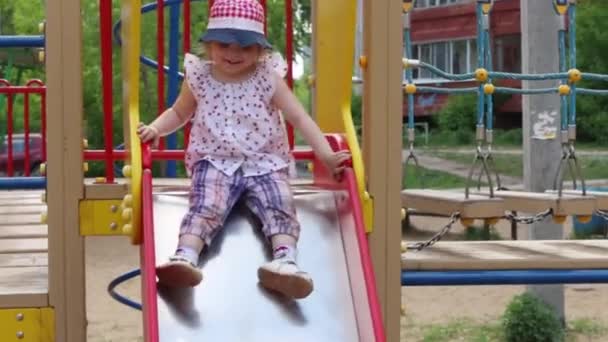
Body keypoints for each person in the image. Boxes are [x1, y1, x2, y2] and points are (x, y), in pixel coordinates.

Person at [137, 0, 350, 299]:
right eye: (224, 45)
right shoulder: (200, 77)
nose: (233, 54)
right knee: (205, 204)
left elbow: (299, 117)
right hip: (215, 161)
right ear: (210, 45)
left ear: (260, 50)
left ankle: (285, 262)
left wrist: (326, 155)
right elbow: (178, 112)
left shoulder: (267, 78)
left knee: (279, 202)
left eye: (245, 47)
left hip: (264, 162)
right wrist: (157, 128)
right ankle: (185, 257)